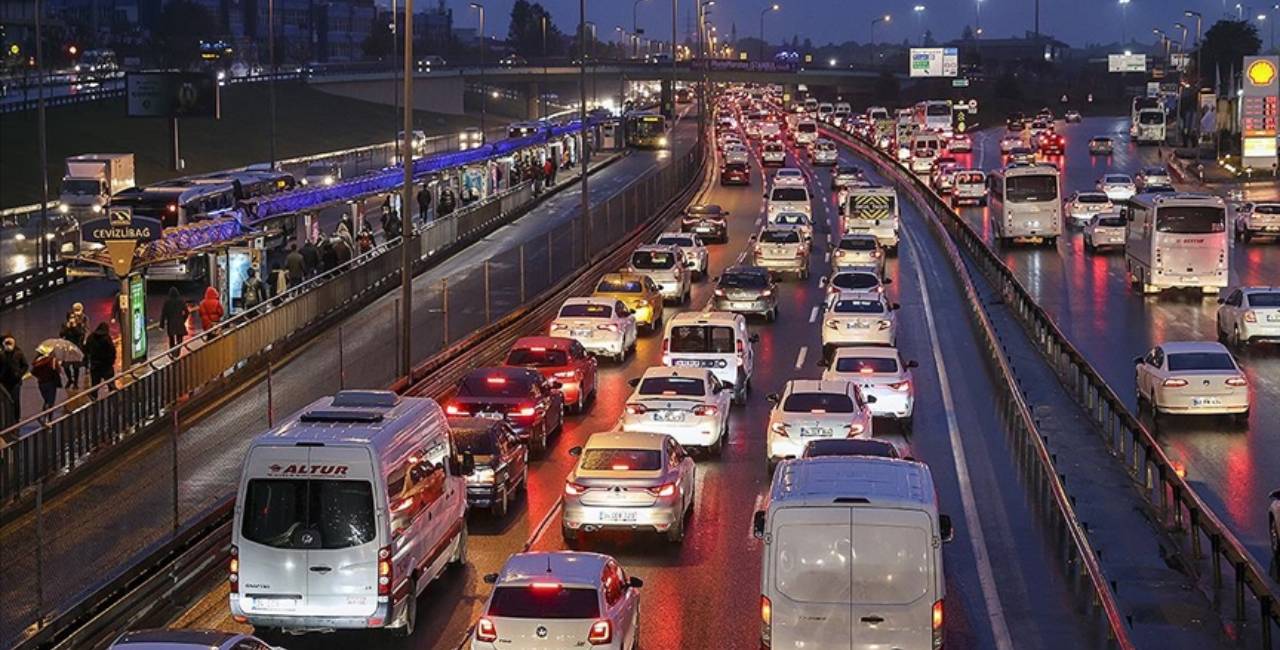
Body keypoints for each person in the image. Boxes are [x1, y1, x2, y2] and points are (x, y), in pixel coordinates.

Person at [0, 334, 28, 421]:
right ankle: (7, 418)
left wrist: (19, 374)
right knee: (5, 401)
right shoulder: (1, 354)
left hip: (15, 382)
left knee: (15, 400)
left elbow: (25, 365)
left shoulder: (18, 353)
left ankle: (16, 418)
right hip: (3, 381)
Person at [84, 322, 116, 397]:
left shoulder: (91, 337)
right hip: (106, 366)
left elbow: (86, 350)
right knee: (111, 384)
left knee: (95, 386)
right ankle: (114, 400)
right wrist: (111, 361)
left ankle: (94, 400)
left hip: (95, 365)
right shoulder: (106, 338)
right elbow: (112, 351)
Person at [61, 302, 88, 387]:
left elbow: (80, 333)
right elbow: (61, 334)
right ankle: (69, 379)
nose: (72, 319)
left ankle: (76, 382)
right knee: (66, 366)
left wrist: (75, 327)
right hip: (67, 348)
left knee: (76, 366)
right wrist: (67, 328)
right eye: (70, 317)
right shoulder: (65, 325)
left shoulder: (79, 324)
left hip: (76, 347)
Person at [30, 350, 61, 416]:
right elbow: (58, 370)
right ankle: (50, 418)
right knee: (51, 401)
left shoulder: (38, 361)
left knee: (46, 399)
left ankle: (45, 413)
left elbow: (33, 372)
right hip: (51, 383)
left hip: (41, 383)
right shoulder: (52, 360)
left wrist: (40, 376)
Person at [160, 287, 190, 354]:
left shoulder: (167, 302)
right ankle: (178, 350)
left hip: (171, 323)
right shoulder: (181, 301)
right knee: (180, 337)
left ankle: (172, 352)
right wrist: (183, 319)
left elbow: (163, 314)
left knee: (171, 338)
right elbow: (187, 312)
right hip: (179, 322)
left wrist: (161, 325)